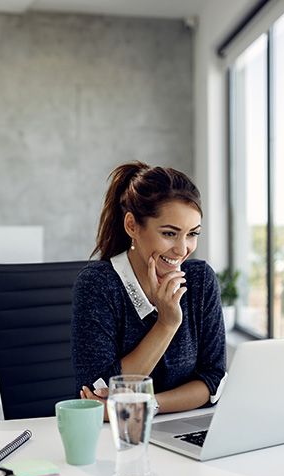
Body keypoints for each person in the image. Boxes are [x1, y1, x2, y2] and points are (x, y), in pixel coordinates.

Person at [72, 161, 227, 418]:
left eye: (192, 234)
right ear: (132, 225)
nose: (182, 249)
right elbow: (98, 392)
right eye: (169, 233)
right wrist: (166, 324)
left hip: (178, 426)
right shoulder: (98, 285)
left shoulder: (200, 280)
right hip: (115, 437)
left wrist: (143, 406)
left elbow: (213, 381)